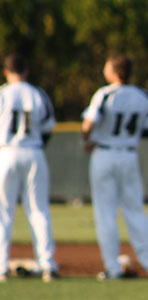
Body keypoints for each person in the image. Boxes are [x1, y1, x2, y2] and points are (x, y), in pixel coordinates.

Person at [81, 54, 148, 280]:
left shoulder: (105, 93)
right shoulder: (143, 96)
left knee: (105, 213)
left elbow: (87, 125)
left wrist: (87, 141)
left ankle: (113, 268)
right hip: (128, 155)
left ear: (115, 72)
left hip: (104, 153)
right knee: (135, 210)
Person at [0, 54, 59, 282]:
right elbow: (48, 128)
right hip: (34, 152)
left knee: (3, 212)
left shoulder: (3, 93)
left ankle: (2, 267)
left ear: (6, 72)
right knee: (38, 210)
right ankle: (48, 266)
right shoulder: (37, 94)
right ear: (26, 70)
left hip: (5, 152)